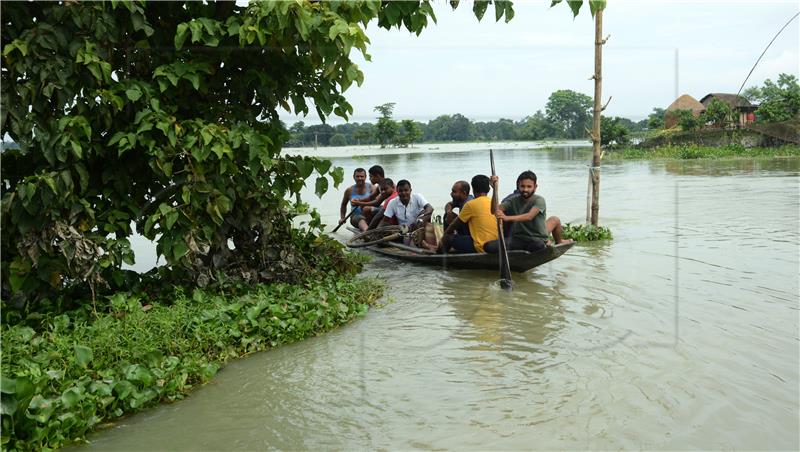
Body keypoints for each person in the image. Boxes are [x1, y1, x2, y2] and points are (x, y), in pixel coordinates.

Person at [484, 170, 573, 253]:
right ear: (518, 186)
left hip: (536, 239)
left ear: (535, 187)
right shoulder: (513, 200)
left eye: (529, 186)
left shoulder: (539, 200)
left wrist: (507, 218)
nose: (525, 189)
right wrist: (495, 189)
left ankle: (554, 242)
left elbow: (529, 216)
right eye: (522, 186)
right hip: (519, 239)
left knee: (538, 246)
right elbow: (494, 210)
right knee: (488, 247)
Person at [437, 175, 498, 254]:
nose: (451, 194)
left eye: (454, 191)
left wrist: (444, 238)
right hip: (495, 245)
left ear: (473, 189)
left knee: (447, 238)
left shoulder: (470, 204)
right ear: (489, 189)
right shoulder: (494, 203)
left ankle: (437, 254)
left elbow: (453, 226)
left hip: (480, 247)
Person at [338, 168, 374, 232]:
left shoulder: (372, 187)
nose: (359, 178)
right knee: (361, 219)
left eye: (362, 176)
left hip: (370, 215)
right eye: (357, 176)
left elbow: (377, 201)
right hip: (356, 217)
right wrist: (342, 218)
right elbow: (343, 205)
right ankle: (367, 233)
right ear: (353, 177)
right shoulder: (349, 190)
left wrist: (360, 202)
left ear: (365, 177)